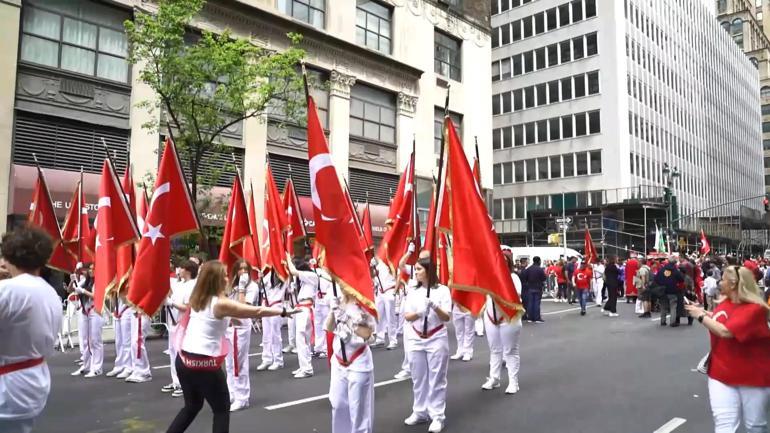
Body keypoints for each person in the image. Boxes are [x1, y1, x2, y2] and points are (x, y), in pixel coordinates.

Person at [166, 260, 296, 433]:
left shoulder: (198, 299)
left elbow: (223, 319)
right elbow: (256, 311)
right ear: (216, 280)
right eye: (225, 275)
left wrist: (234, 318)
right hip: (202, 363)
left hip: (183, 361)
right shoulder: (220, 303)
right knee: (221, 409)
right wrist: (284, 312)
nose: (228, 278)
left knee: (192, 406)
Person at [684, 266, 770, 433]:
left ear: (733, 283)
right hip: (721, 374)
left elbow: (726, 331)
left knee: (755, 425)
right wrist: (705, 312)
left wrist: (700, 316)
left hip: (753, 376)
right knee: (724, 424)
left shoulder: (755, 310)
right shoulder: (725, 303)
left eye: (723, 279)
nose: (719, 281)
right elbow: (723, 319)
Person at [0, 227, 63, 433]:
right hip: (34, 382)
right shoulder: (50, 292)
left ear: (8, 257)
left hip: (8, 387)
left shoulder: (8, 290)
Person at [403, 256, 452, 433]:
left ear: (428, 271)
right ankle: (420, 411)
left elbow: (447, 317)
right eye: (415, 269)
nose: (415, 273)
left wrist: (433, 306)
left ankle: (437, 415)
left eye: (419, 269)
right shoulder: (413, 291)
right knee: (418, 377)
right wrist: (420, 312)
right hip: (416, 337)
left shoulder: (442, 290)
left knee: (437, 378)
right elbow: (407, 316)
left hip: (436, 337)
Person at [326, 290, 377, 433]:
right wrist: (333, 311)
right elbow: (329, 328)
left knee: (359, 410)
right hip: (338, 362)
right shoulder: (338, 301)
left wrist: (347, 319)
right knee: (337, 405)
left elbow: (369, 336)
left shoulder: (365, 304)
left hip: (358, 362)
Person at [482, 254, 523, 394]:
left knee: (510, 350)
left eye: (505, 261)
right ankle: (494, 378)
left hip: (509, 318)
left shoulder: (513, 277)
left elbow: (516, 295)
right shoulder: (488, 276)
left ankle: (513, 382)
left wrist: (498, 287)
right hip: (490, 317)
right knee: (494, 350)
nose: (501, 263)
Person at [224, 260, 260, 411]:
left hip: (241, 326)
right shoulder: (232, 285)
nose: (243, 272)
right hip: (228, 326)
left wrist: (242, 288)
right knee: (229, 363)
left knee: (239, 362)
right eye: (240, 269)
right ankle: (231, 392)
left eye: (246, 269)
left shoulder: (252, 286)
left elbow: (243, 307)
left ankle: (242, 397)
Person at [161, 260, 198, 397]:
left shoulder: (192, 285)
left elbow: (188, 307)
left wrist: (171, 303)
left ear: (188, 270)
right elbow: (170, 291)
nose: (179, 270)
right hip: (174, 323)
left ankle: (185, 383)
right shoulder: (180, 284)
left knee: (182, 354)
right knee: (173, 352)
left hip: (184, 323)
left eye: (181, 268)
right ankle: (176, 381)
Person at [286, 255, 320, 379]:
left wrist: (288, 258)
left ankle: (307, 368)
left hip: (306, 309)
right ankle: (304, 366)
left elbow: (293, 271)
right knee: (301, 340)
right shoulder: (305, 280)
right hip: (301, 308)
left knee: (302, 339)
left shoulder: (312, 276)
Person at [69, 263, 104, 377]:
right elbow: (71, 290)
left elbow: (97, 296)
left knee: (95, 341)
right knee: (85, 341)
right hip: (85, 311)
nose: (90, 271)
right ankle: (86, 364)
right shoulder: (85, 281)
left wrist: (83, 291)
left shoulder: (99, 281)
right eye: (89, 269)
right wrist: (72, 280)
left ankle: (97, 367)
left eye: (93, 269)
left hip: (95, 311)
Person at [257, 271, 287, 371]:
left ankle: (278, 360)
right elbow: (260, 286)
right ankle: (267, 359)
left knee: (275, 334)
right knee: (266, 334)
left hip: (276, 305)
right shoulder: (269, 274)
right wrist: (260, 278)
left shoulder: (284, 274)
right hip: (266, 304)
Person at [372, 258, 398, 349]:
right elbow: (373, 276)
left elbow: (398, 276)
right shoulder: (378, 263)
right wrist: (373, 267)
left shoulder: (392, 261)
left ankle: (393, 340)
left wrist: (395, 291)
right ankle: (380, 338)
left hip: (389, 291)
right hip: (380, 292)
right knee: (378, 315)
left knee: (390, 317)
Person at [653, 258, 684, 327]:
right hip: (672, 290)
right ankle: (672, 322)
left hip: (662, 291)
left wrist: (661, 284)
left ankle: (663, 321)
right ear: (675, 263)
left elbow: (656, 279)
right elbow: (681, 279)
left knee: (663, 306)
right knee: (673, 306)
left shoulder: (662, 270)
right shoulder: (675, 271)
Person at [520, 256, 546, 323]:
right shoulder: (540, 269)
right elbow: (544, 278)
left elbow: (525, 277)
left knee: (530, 303)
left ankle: (530, 317)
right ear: (539, 261)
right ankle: (537, 317)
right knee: (537, 303)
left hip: (530, 287)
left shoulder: (529, 269)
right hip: (538, 287)